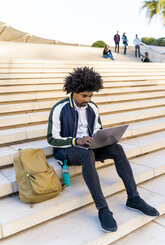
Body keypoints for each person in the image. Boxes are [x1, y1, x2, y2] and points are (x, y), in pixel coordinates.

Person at [47, 67, 159, 233]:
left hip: (89, 147)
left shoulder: (93, 107)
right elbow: (51, 138)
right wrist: (77, 140)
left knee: (117, 149)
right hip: (67, 150)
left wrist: (101, 138)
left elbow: (98, 129)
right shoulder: (59, 108)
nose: (88, 99)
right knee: (87, 154)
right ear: (74, 91)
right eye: (84, 95)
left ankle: (134, 198)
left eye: (91, 95)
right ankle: (103, 209)